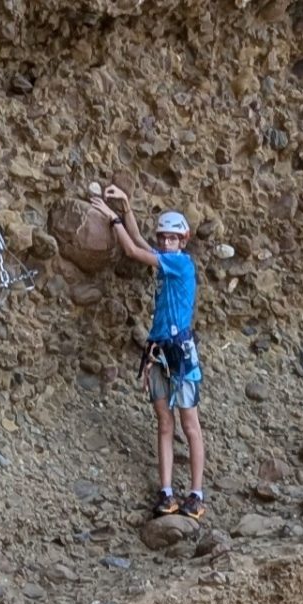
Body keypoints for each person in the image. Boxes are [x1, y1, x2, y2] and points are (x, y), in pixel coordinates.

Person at [98, 183, 207, 518]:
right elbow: (143, 246)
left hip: (179, 350)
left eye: (171, 238)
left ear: (183, 240)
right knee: (164, 423)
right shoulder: (166, 260)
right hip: (160, 351)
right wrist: (127, 208)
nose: (164, 243)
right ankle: (167, 491)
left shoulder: (180, 264)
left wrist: (112, 219)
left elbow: (133, 251)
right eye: (162, 238)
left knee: (189, 424)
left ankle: (196, 492)